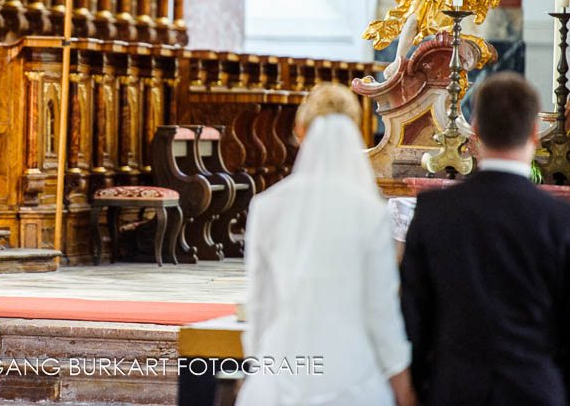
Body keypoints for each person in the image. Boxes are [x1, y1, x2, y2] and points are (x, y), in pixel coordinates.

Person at [237, 83, 415, 406]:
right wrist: (401, 379)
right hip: (352, 373)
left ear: (300, 131)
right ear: (355, 132)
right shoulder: (370, 213)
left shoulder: (266, 206)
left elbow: (260, 303)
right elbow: (380, 309)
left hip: (280, 370)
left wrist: (255, 368)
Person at [401, 72, 570, 405]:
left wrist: (423, 387)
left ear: (475, 132)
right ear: (535, 134)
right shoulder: (560, 219)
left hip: (454, 389)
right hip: (536, 390)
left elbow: (414, 316)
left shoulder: (434, 211)